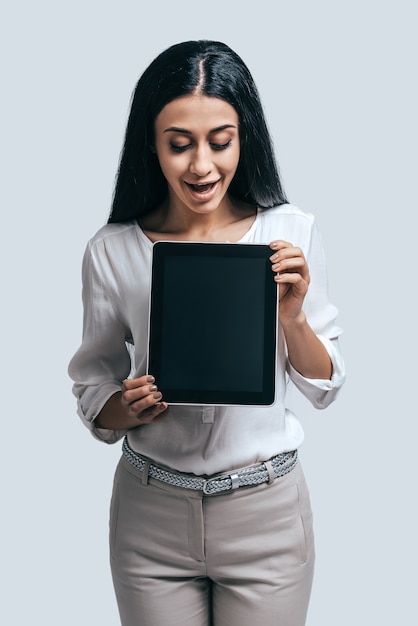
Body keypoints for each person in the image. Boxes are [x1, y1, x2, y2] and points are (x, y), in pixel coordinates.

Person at [68, 40, 345, 626]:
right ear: (152, 143)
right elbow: (92, 385)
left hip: (266, 513)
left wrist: (291, 316)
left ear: (245, 139)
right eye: (179, 144)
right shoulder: (112, 250)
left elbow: (325, 387)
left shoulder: (290, 232)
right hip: (151, 516)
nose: (201, 166)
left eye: (220, 142)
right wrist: (126, 406)